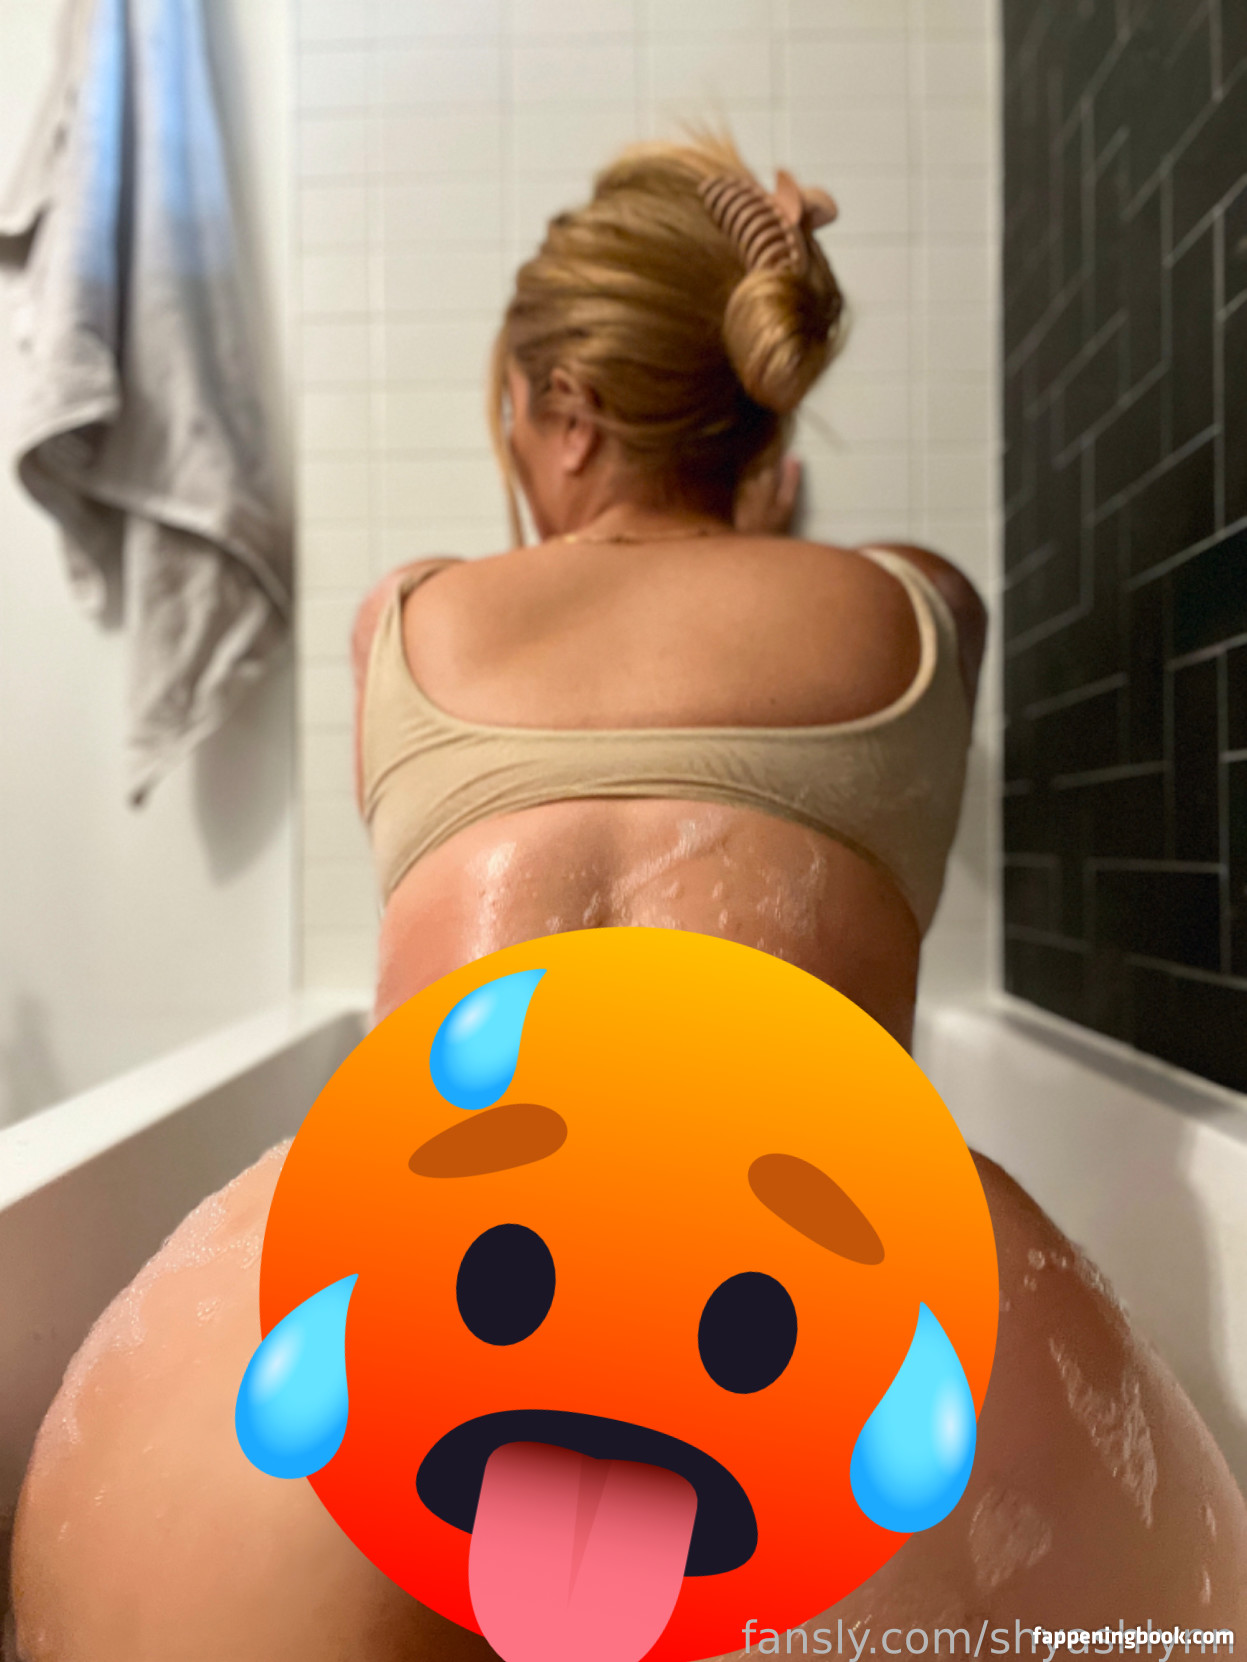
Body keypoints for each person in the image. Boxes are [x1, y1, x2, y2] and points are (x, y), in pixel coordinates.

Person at [8, 135, 1245, 1661]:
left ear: (566, 409)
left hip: (406, 1273)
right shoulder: (923, 603)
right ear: (760, 414)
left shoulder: (407, 616)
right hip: (820, 1300)